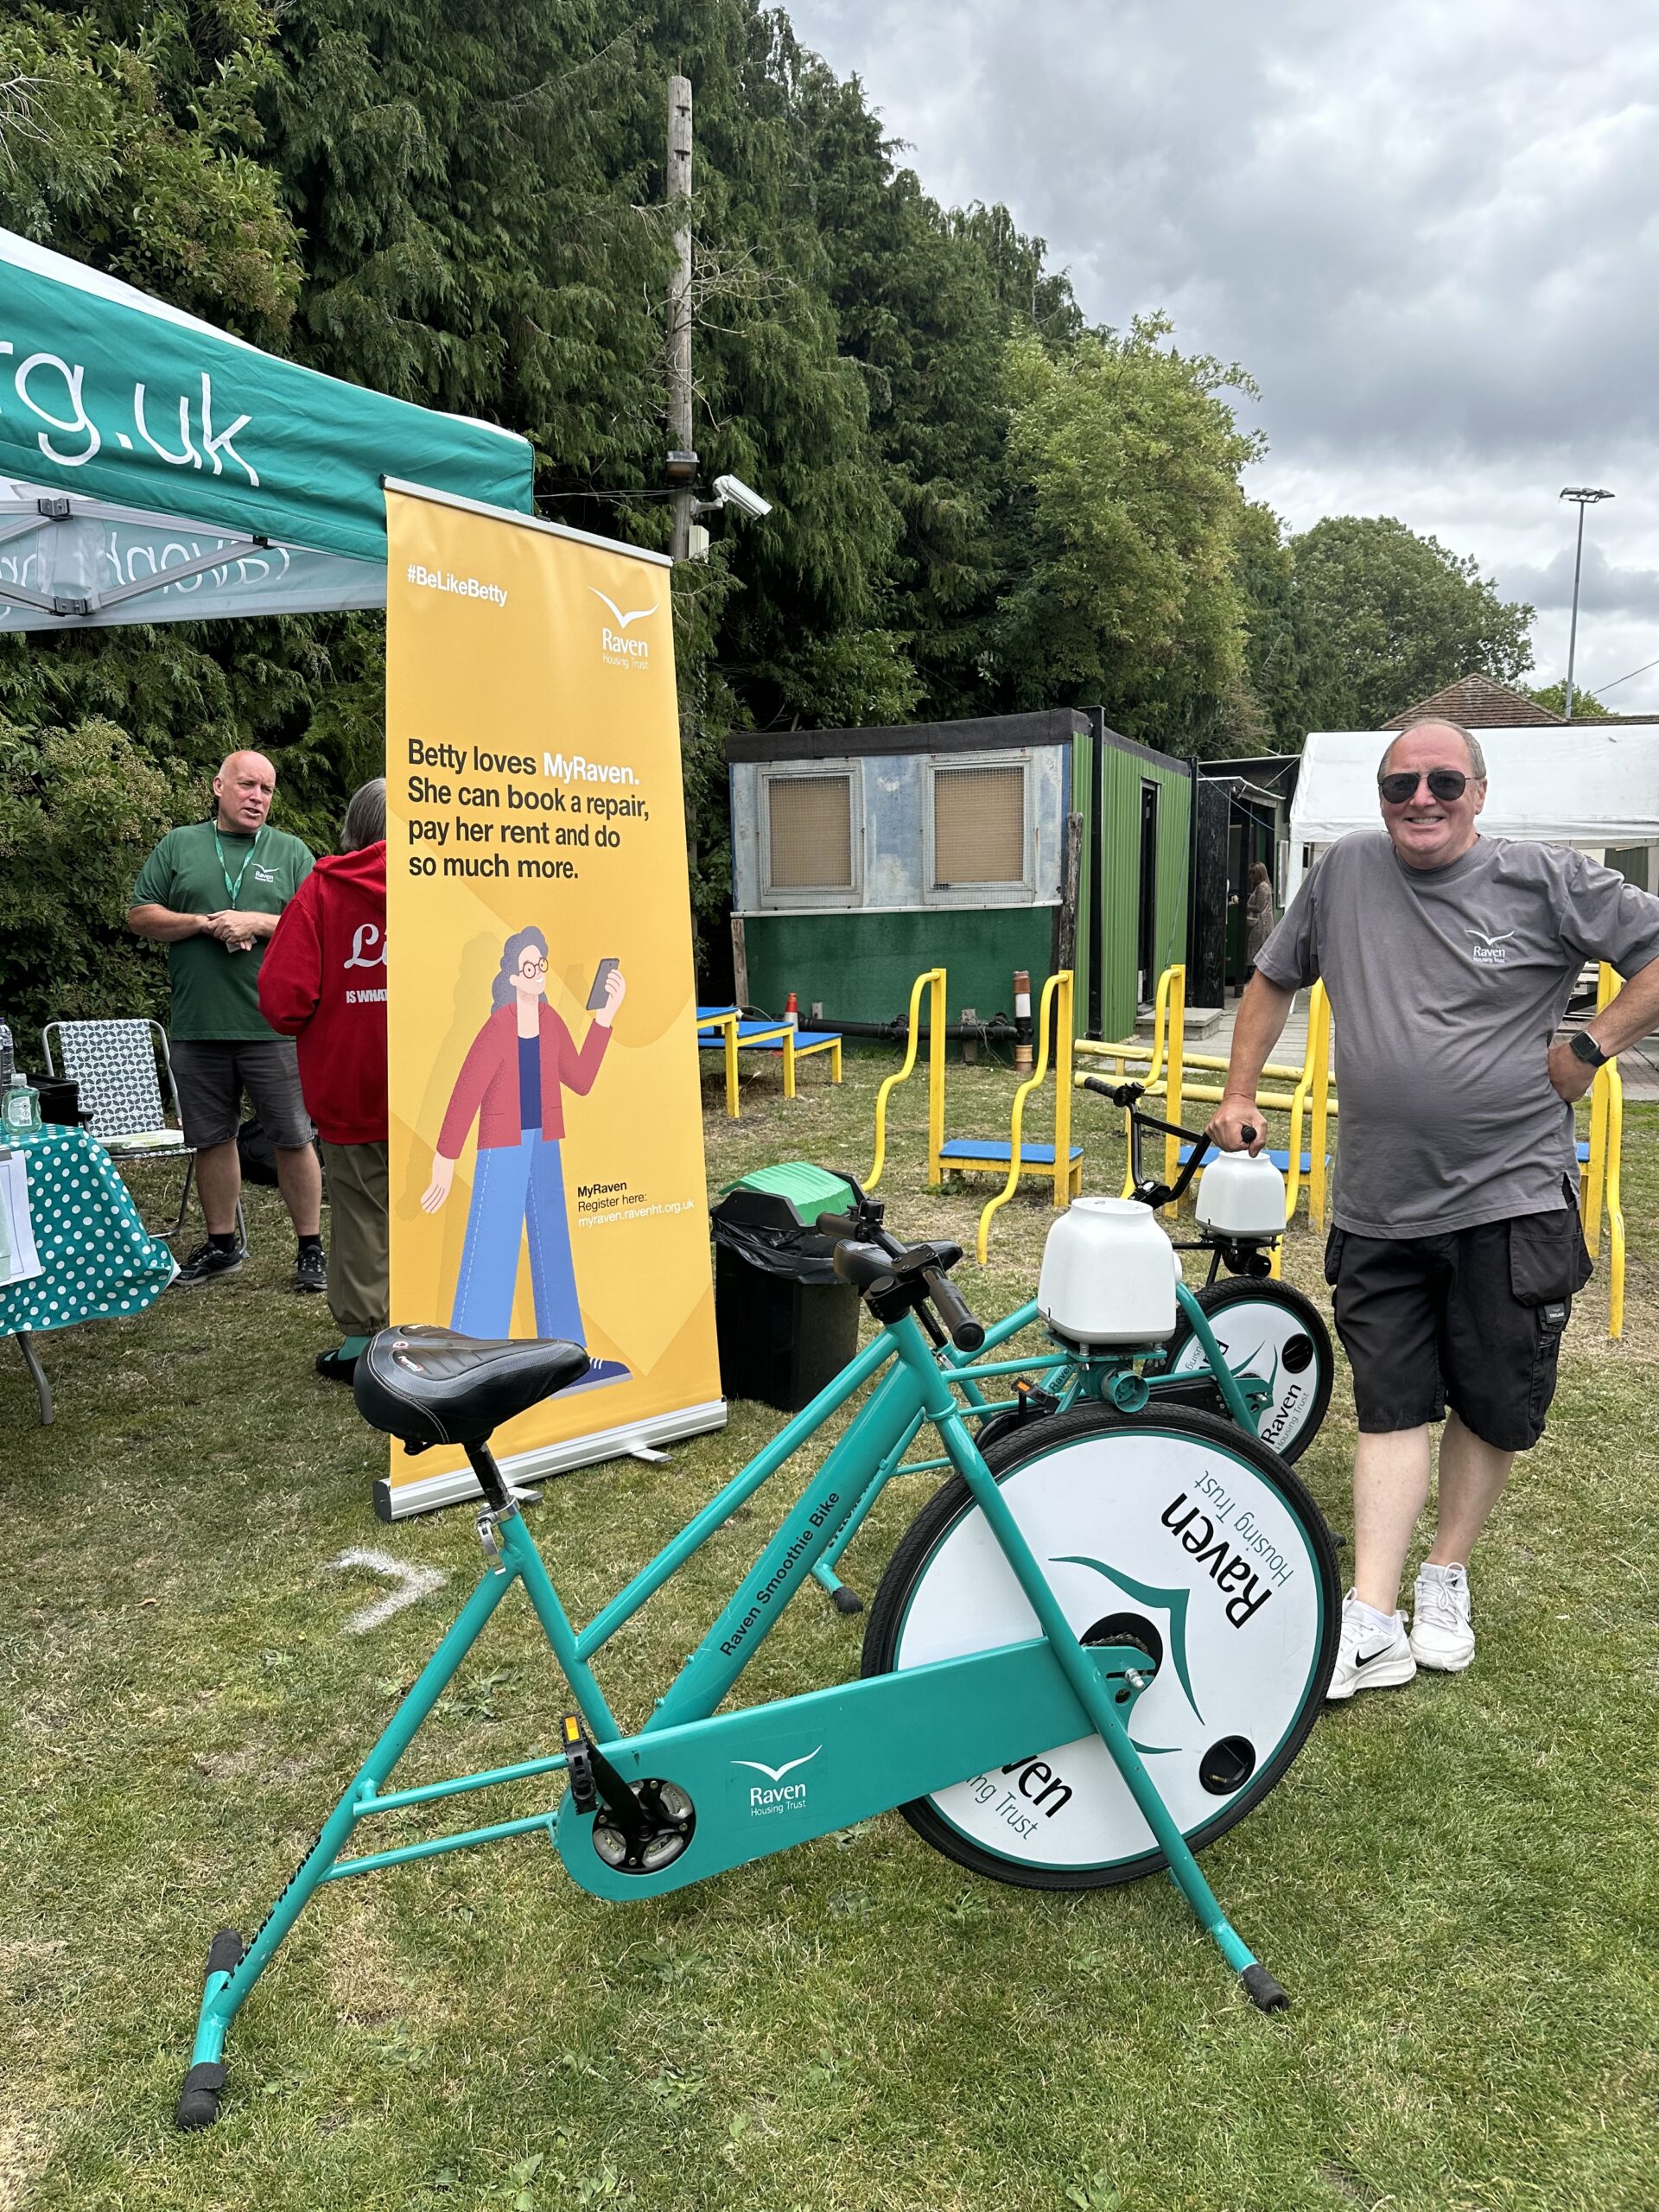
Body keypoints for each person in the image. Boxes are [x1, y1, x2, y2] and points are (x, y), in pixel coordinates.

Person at [1207, 719, 1659, 1699]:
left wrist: (1591, 1044)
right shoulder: (1344, 876)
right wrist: (1240, 1094)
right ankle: (1372, 1616)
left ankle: (1444, 1574)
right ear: (1379, 797)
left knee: (1492, 1402)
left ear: (1479, 793)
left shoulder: (1546, 878)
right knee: (1392, 1401)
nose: (1422, 798)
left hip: (1513, 1198)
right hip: (1379, 1199)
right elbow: (1272, 981)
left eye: (1444, 782)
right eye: (1400, 783)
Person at [129, 750, 323, 1291]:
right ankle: (222, 1245)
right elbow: (141, 914)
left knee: (292, 1138)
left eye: (266, 789)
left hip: (273, 1028)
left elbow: (318, 926)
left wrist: (257, 921)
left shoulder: (291, 852)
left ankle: (310, 1248)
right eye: (246, 785)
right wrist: (203, 923)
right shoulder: (179, 845)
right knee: (212, 1140)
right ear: (219, 786)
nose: (257, 796)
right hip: (198, 1025)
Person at [422, 929, 628, 1386]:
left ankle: (569, 1362)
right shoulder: (498, 1027)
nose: (539, 974)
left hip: (545, 1141)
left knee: (553, 1247)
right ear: (513, 975)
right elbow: (465, 1093)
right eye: (531, 967)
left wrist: (605, 1017)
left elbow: (579, 1078)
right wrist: (444, 1156)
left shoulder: (552, 1020)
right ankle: (472, 1369)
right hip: (503, 1143)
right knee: (492, 1246)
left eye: (542, 966)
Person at [258, 779, 388, 1382]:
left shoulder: (321, 892)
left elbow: (284, 1001)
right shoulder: (454, 878)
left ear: (354, 827)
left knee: (362, 1210)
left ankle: (366, 1344)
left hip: (351, 1081)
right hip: (442, 1084)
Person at [1243, 861, 1274, 976]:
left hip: (1261, 925)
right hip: (1265, 924)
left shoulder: (1262, 887)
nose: (1251, 877)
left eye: (1253, 874)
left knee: (1255, 950)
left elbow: (1259, 907)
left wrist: (1243, 905)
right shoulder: (1266, 886)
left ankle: (1253, 976)